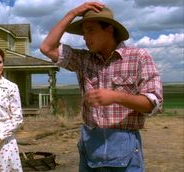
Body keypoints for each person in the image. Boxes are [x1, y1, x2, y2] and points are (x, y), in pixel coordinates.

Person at [40, 2, 163, 172]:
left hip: (125, 145)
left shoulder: (138, 57)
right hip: (91, 144)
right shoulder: (84, 59)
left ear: (109, 30)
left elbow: (153, 104)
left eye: (90, 30)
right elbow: (47, 47)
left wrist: (116, 97)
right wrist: (73, 13)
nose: (85, 37)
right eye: (83, 32)